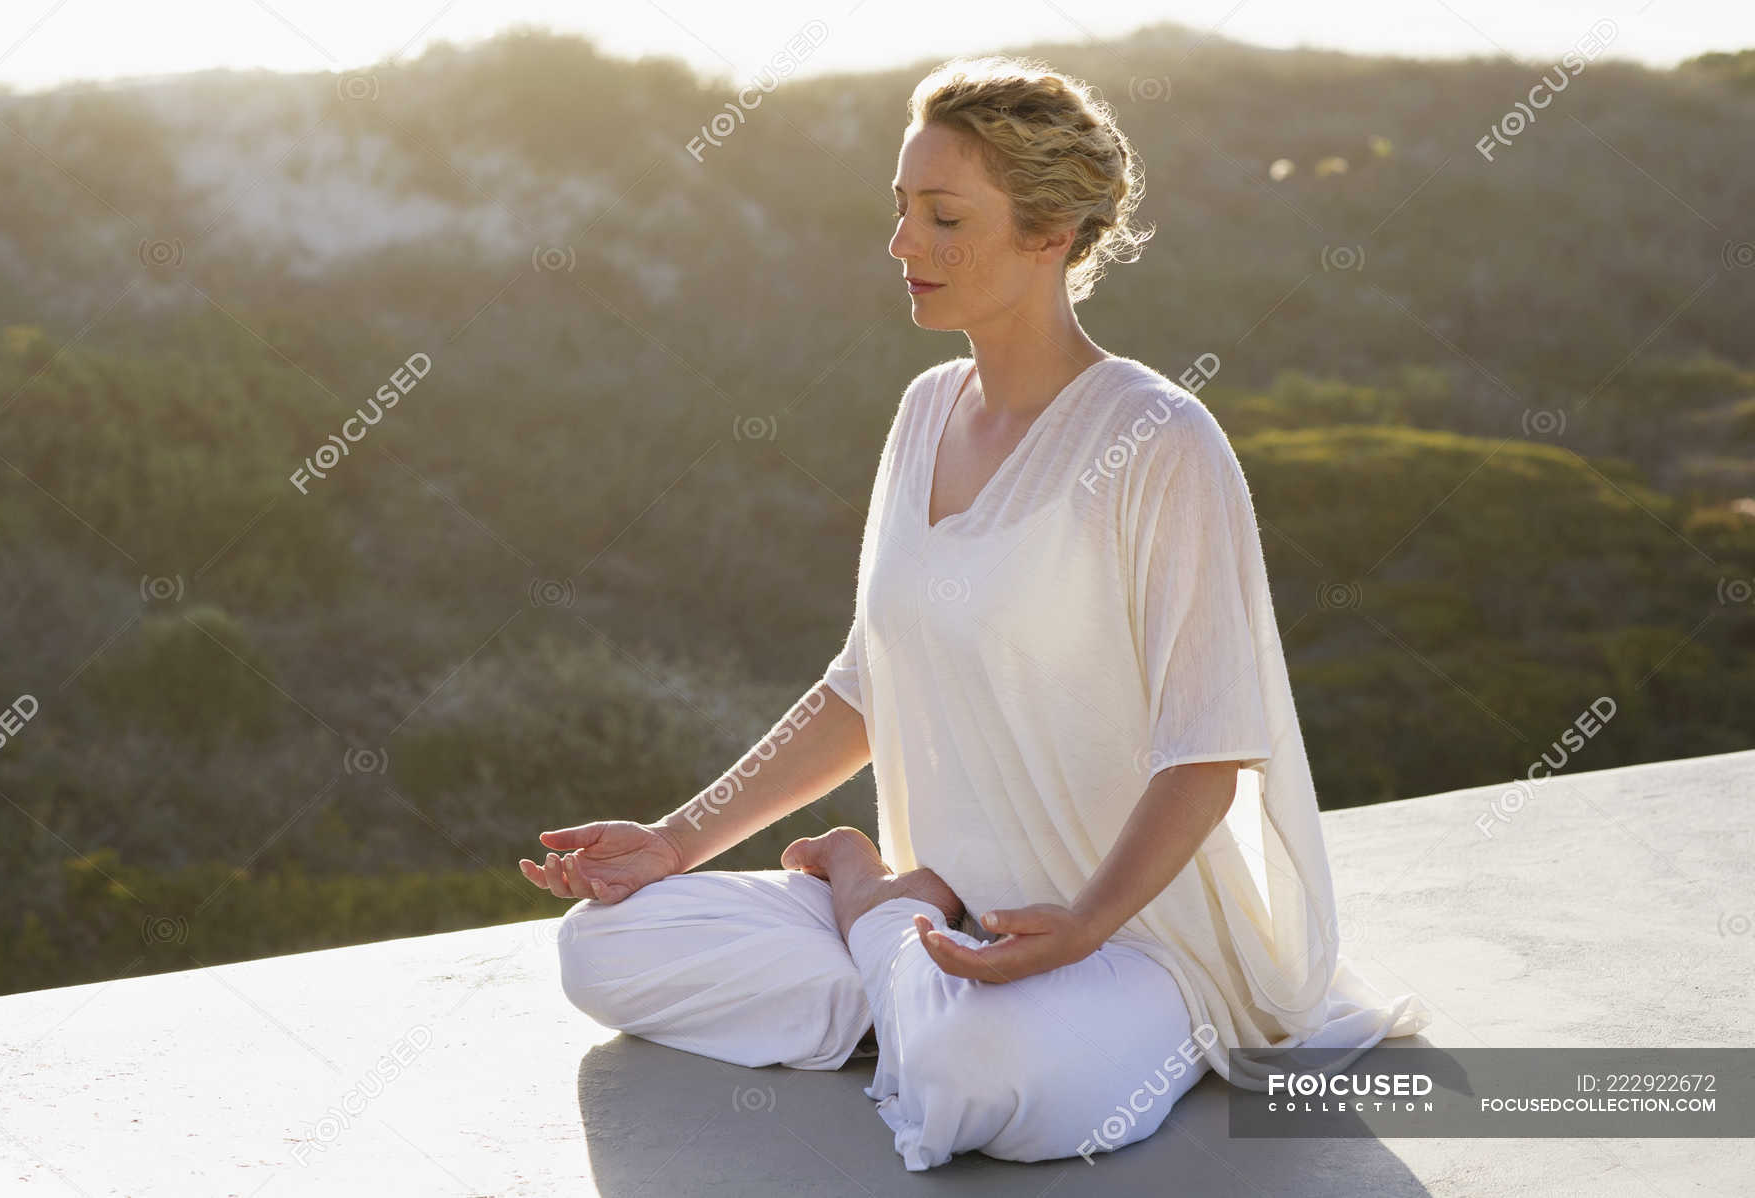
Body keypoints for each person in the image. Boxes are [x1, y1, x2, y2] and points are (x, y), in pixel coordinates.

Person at [521, 53, 1430, 1173]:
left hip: (1128, 935)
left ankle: (888, 930)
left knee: (986, 1089)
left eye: (943, 217)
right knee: (603, 948)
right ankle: (909, 950)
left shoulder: (1160, 441)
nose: (903, 245)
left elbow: (1209, 752)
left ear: (1050, 233)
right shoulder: (922, 412)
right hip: (951, 909)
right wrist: (671, 839)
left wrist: (1083, 925)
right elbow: (865, 683)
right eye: (901, 211)